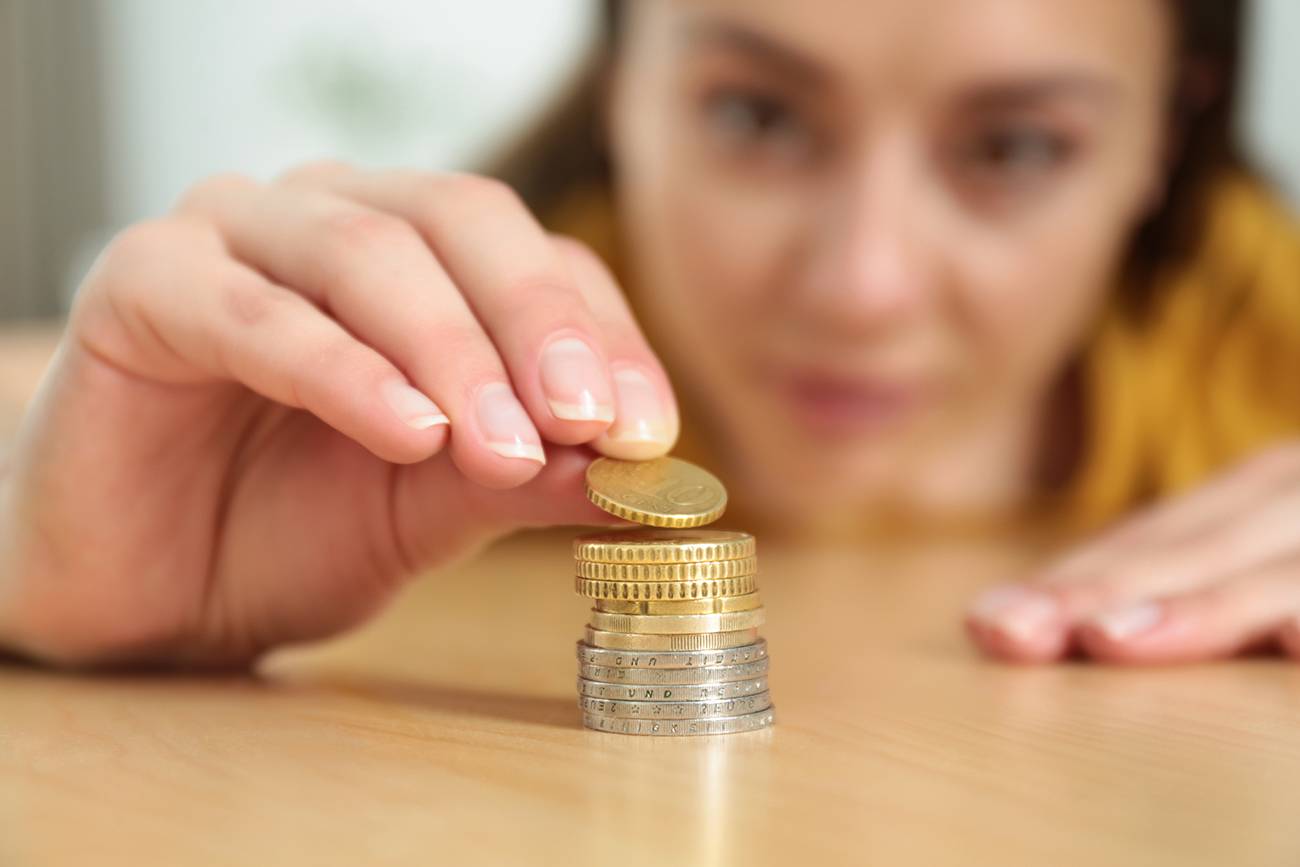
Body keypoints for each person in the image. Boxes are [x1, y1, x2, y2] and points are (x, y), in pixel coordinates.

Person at [1, 0, 1297, 669]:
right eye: (759, 118)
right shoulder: (368, 366)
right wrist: (37, 574)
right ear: (624, 83)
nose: (862, 285)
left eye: (1015, 147)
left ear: (1168, 134)